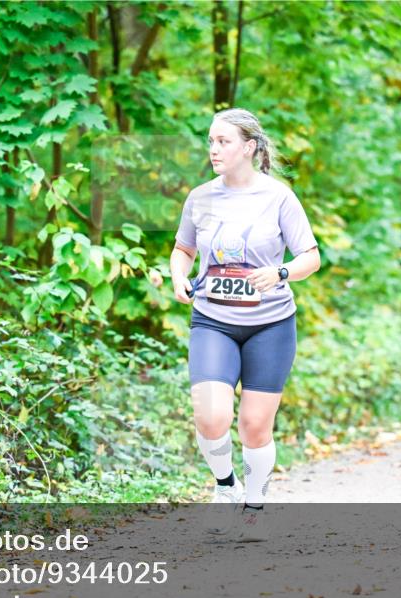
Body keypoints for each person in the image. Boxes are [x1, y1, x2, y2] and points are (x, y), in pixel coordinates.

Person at [169, 108, 321, 542]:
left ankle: (255, 502)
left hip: (270, 324)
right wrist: (180, 275)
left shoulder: (278, 198)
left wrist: (281, 273)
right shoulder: (200, 198)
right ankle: (225, 487)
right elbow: (183, 249)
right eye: (211, 141)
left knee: (254, 425)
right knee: (211, 415)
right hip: (213, 319)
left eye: (224, 141)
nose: (213, 149)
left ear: (249, 147)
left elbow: (311, 256)